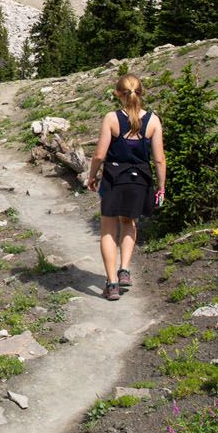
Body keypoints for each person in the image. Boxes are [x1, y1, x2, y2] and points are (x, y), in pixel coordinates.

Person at [85, 73, 166, 301]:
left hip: (114, 177)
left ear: (118, 94)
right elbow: (159, 159)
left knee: (108, 229)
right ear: (141, 92)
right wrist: (161, 186)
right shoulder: (153, 120)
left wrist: (92, 176)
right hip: (140, 178)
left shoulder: (111, 118)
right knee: (129, 222)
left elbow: (100, 154)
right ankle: (125, 270)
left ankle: (111, 284)